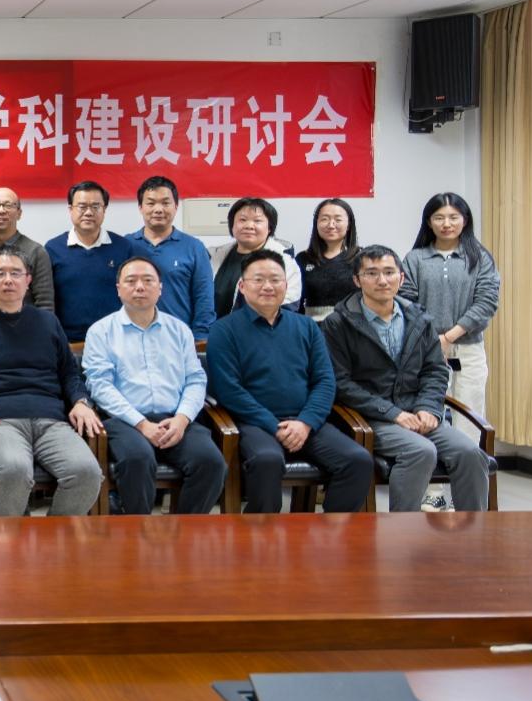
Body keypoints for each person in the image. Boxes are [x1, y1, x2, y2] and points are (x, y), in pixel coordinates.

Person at [321, 245, 489, 512]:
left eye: (389, 272)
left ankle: (475, 530)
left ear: (401, 278)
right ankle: (403, 531)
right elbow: (340, 383)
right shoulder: (338, 323)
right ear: (357, 280)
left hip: (417, 412)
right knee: (420, 451)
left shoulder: (419, 318)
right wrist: (393, 413)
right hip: (369, 418)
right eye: (371, 273)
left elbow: (435, 370)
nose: (382, 280)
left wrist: (428, 407)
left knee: (470, 453)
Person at [205, 249, 372, 514]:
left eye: (275, 280)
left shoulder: (307, 327)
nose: (268, 286)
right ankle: (261, 533)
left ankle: (329, 533)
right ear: (242, 286)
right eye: (258, 279)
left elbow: (325, 381)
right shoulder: (223, 330)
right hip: (254, 423)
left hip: (306, 422)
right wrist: (274, 426)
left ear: (286, 285)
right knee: (267, 460)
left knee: (358, 460)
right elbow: (229, 390)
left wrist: (305, 422)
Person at [0, 246, 103, 517]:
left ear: (28, 280)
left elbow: (69, 372)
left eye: (15, 273)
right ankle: (10, 539)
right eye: (0, 273)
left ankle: (53, 536)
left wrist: (81, 402)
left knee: (87, 473)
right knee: (14, 470)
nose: (8, 280)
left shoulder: (48, 322)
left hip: (51, 421)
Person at [82, 257, 226, 515]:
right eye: (131, 281)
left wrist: (182, 419)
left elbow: (195, 379)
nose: (140, 287)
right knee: (137, 460)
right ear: (118, 289)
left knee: (211, 463)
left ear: (160, 288)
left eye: (148, 280)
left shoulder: (179, 330)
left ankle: (183, 529)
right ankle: (140, 532)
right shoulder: (100, 331)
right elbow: (100, 386)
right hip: (124, 421)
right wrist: (141, 424)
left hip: (175, 418)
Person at [399, 192, 500, 452]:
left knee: (469, 414)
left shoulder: (480, 258)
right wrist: (434, 339)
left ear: (465, 220)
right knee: (428, 412)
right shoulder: (415, 258)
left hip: (469, 349)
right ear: (429, 222)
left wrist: (449, 336)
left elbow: (486, 302)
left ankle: (468, 473)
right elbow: (406, 302)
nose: (446, 223)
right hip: (425, 348)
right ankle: (433, 477)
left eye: (453, 217)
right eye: (439, 217)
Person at [124, 176, 215, 340]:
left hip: (178, 339)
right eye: (151, 203)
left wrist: (199, 339)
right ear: (140, 207)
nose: (158, 209)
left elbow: (204, 299)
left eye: (165, 203)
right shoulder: (125, 245)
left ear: (176, 206)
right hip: (131, 339)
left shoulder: (194, 247)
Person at [44, 181, 134, 342]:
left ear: (104, 210)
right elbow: (46, 298)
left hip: (114, 339)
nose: (88, 212)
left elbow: (131, 294)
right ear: (70, 209)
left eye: (95, 206)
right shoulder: (53, 248)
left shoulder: (123, 247)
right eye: (82, 206)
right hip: (67, 342)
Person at [208, 197, 301, 318]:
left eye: (257, 221)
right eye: (242, 220)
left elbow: (287, 307)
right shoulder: (213, 256)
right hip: (212, 328)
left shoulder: (284, 262)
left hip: (258, 329)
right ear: (232, 225)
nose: (249, 226)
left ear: (269, 228)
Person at [0, 187, 54, 312]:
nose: (1, 210)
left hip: (26, 322)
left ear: (19, 213)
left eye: (8, 205)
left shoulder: (36, 251)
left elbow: (45, 303)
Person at [297, 198, 360, 321]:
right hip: (313, 327)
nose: (331, 225)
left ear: (349, 224)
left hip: (351, 327)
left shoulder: (360, 257)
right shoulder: (303, 259)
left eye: (338, 219)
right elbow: (297, 302)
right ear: (316, 223)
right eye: (324, 219)